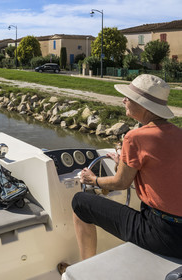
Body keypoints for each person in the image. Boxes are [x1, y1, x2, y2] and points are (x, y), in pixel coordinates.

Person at [67, 74, 182, 269]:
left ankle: (84, 269)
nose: (124, 100)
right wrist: (125, 162)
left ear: (144, 105)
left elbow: (120, 183)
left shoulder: (135, 137)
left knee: (80, 203)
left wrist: (93, 179)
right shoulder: (178, 133)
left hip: (162, 233)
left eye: (129, 97)